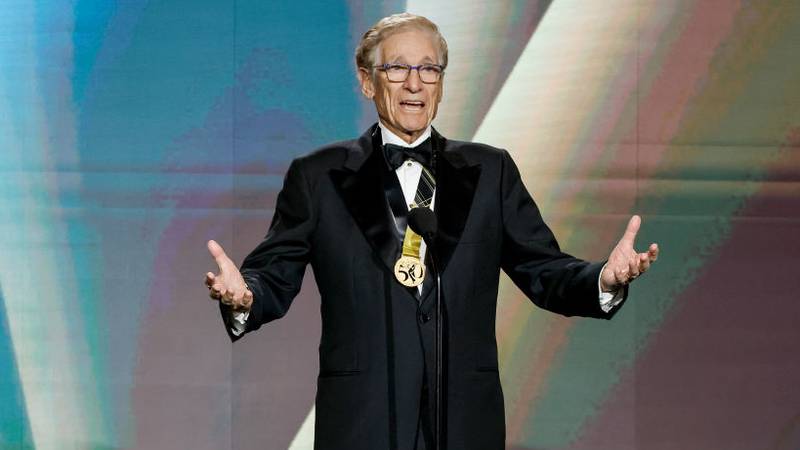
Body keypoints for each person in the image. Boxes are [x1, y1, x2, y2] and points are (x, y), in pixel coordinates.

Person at [204, 12, 658, 450]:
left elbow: (544, 269)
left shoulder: (490, 170)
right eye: (398, 68)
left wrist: (603, 279)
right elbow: (273, 274)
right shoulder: (318, 176)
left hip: (463, 419)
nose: (415, 83)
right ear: (367, 81)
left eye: (429, 68)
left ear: (441, 82)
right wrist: (245, 295)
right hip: (364, 420)